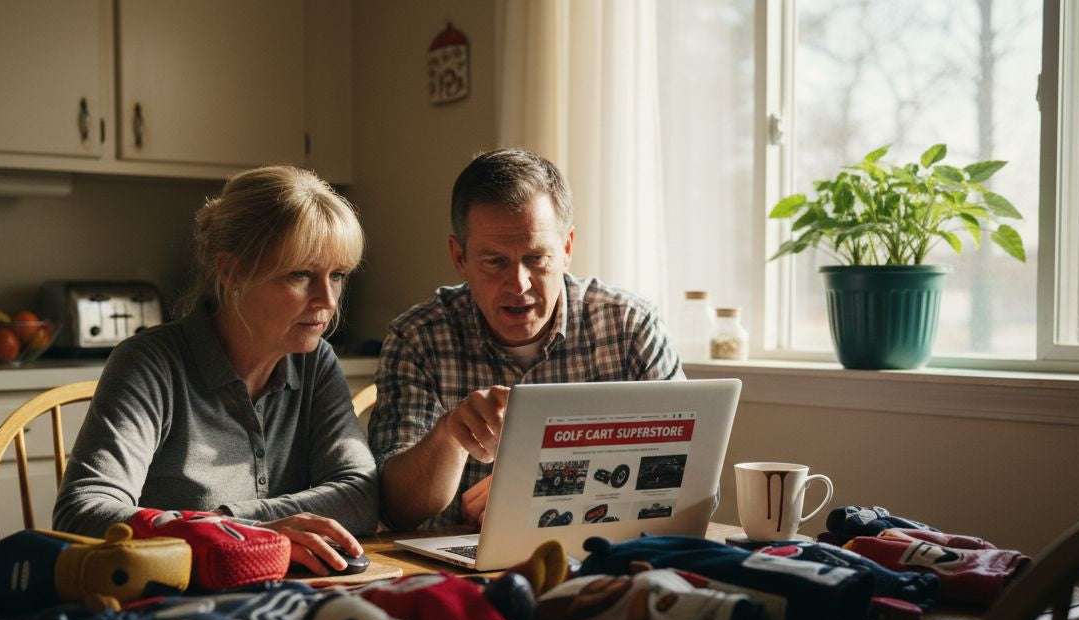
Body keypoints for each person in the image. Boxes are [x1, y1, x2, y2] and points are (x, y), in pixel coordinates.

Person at [54, 165, 377, 574]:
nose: (327, 300)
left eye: (338, 276)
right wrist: (240, 529)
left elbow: (361, 495)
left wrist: (231, 519)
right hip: (171, 603)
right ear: (232, 272)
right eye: (301, 274)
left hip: (290, 596)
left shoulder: (315, 362)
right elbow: (81, 514)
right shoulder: (151, 364)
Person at [369, 148, 683, 531]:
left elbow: (694, 486)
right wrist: (450, 435)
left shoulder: (630, 327)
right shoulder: (417, 339)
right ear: (459, 256)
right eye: (494, 261)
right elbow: (395, 510)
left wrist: (539, 492)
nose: (518, 285)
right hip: (459, 568)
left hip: (600, 554)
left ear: (566, 249)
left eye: (536, 258)